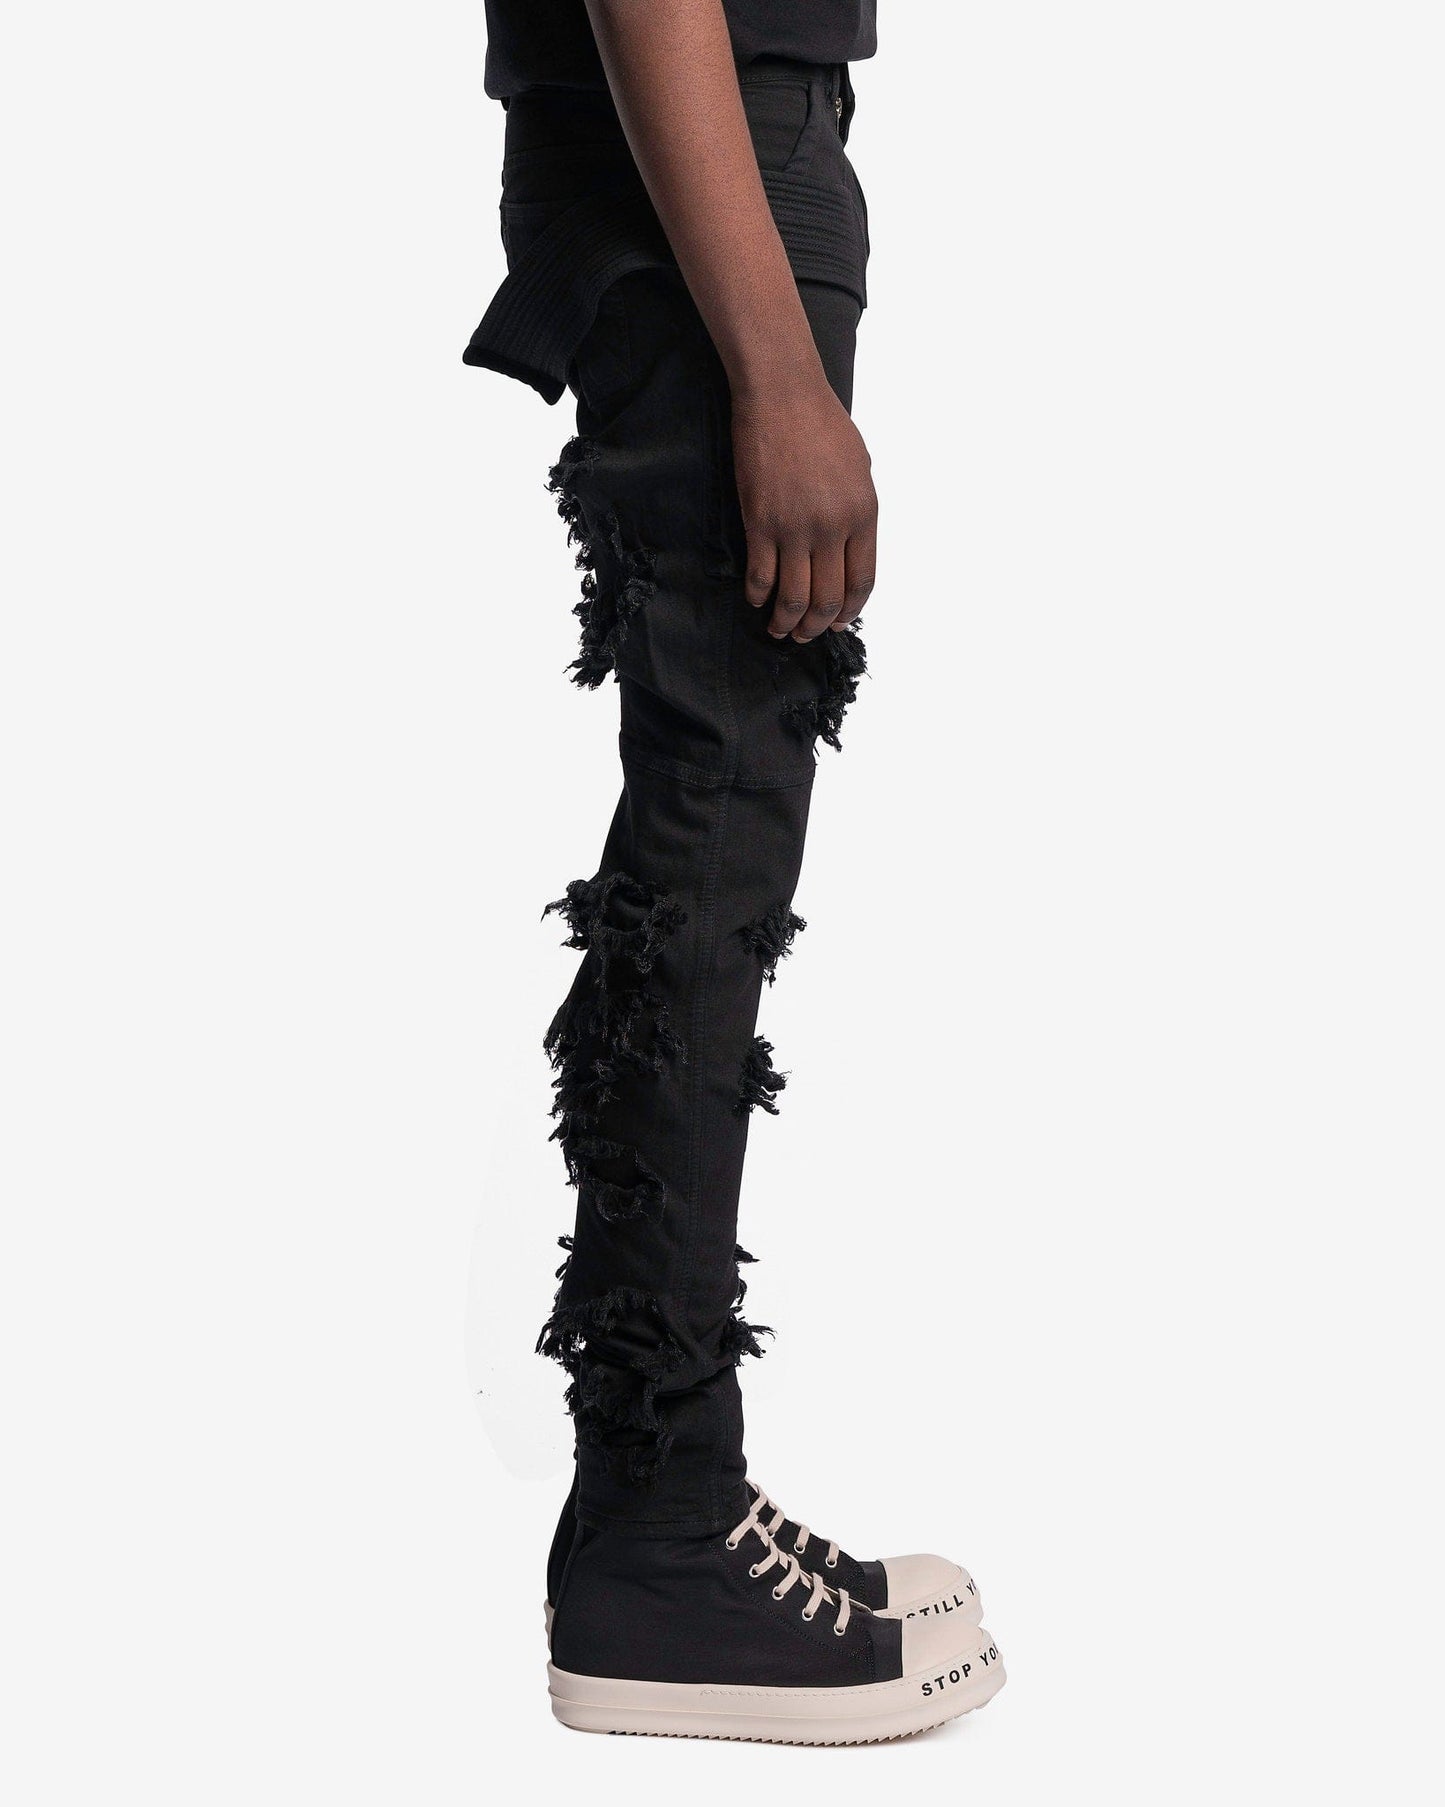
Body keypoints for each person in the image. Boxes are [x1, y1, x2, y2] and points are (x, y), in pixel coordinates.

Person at [465, 0, 1005, 1742]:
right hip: (703, 184)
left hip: (709, 164)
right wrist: (775, 375)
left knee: (711, 829)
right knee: (708, 831)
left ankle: (666, 1494)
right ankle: (657, 1528)